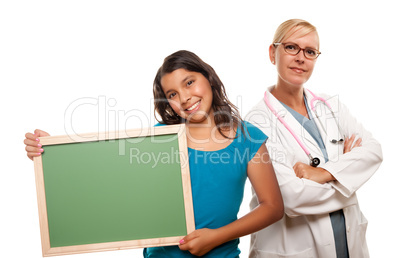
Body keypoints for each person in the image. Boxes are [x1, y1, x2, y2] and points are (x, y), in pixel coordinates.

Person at [24, 50, 284, 257]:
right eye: (172, 94)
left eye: (189, 82)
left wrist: (215, 237)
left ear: (209, 78)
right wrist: (52, 153)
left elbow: (272, 207)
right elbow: (104, 176)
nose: (184, 98)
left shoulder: (247, 138)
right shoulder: (160, 138)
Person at [245, 19, 383, 258]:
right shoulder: (256, 122)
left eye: (310, 51)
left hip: (349, 244)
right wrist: (350, 177)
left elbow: (373, 151)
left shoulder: (330, 105)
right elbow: (293, 198)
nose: (301, 57)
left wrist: (325, 173)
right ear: (272, 53)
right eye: (291, 47)